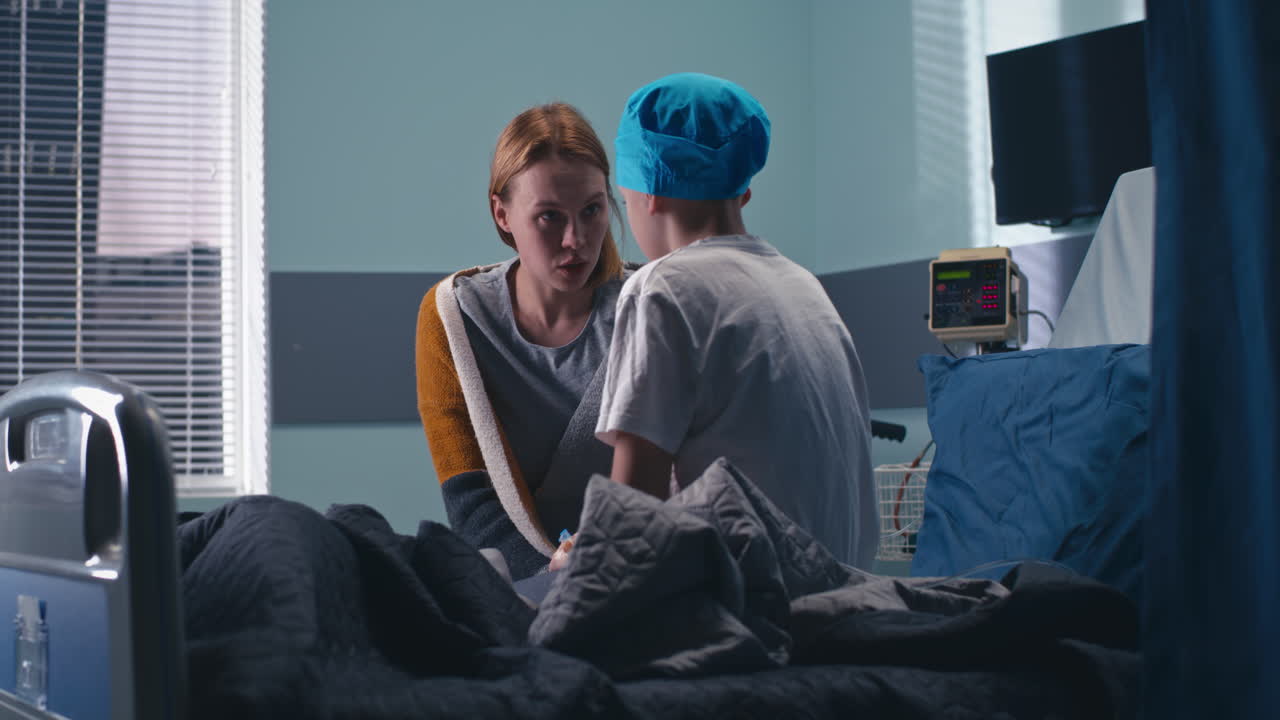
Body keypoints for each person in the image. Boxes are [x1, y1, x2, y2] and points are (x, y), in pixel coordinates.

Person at [593, 72, 879, 568]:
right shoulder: (804, 287)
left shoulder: (662, 287)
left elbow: (629, 527)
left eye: (624, 200)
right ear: (742, 192)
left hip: (755, 605)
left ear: (650, 190)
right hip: (849, 596)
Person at [415, 102, 631, 580]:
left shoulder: (650, 307)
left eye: (592, 210)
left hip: (638, 571)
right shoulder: (455, 317)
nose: (576, 239)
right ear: (502, 214)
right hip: (519, 583)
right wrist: (553, 574)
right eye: (550, 217)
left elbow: (681, 478)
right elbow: (471, 501)